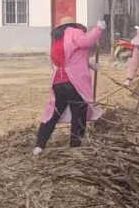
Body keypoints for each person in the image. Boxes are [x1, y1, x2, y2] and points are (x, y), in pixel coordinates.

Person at [35, 16, 106, 154]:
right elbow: (87, 42)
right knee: (78, 113)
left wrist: (89, 64)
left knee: (53, 113)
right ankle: (75, 146)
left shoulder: (57, 39)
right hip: (74, 81)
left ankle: (39, 145)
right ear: (74, 25)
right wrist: (98, 29)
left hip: (58, 81)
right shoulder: (73, 32)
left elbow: (69, 58)